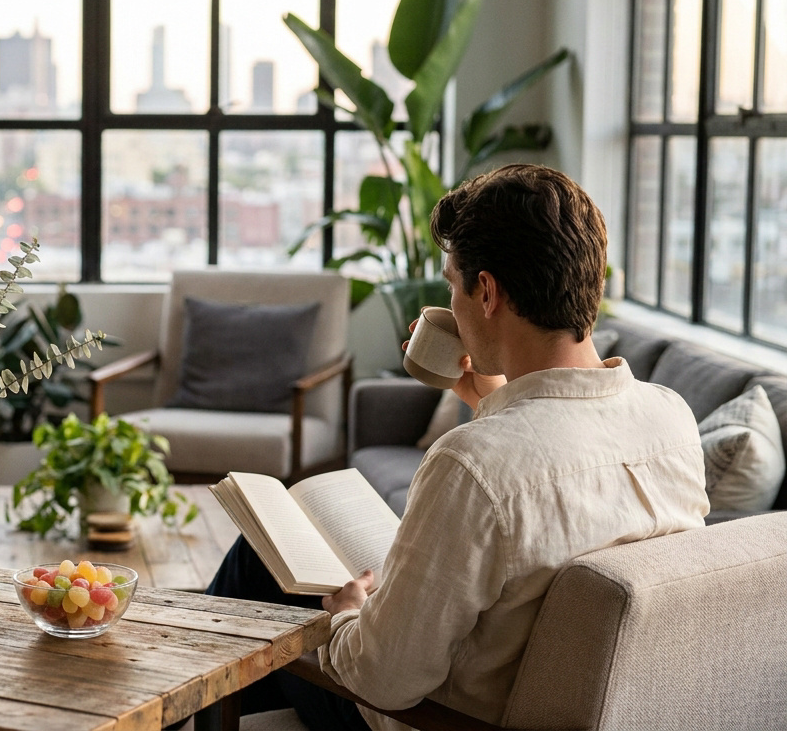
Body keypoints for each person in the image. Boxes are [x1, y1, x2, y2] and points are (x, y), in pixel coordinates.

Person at [205, 164, 709, 731]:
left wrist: (348, 616)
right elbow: (551, 464)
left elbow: (379, 680)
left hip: (424, 718)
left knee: (260, 556)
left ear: (487, 291)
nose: (451, 301)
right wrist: (490, 399)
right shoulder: (671, 418)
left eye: (452, 283)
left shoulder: (473, 466)